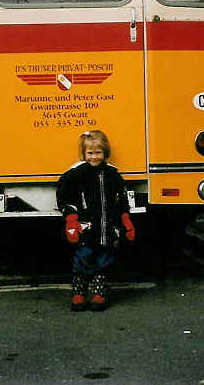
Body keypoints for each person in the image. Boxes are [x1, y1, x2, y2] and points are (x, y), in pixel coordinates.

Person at [57, 130, 136, 311]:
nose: (94, 157)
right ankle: (78, 294)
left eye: (98, 152)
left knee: (104, 261)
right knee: (82, 259)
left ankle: (99, 294)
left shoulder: (113, 174)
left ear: (105, 152)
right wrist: (71, 219)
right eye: (90, 153)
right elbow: (64, 195)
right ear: (84, 154)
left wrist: (126, 220)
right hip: (85, 228)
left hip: (108, 229)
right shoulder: (76, 174)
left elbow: (121, 200)